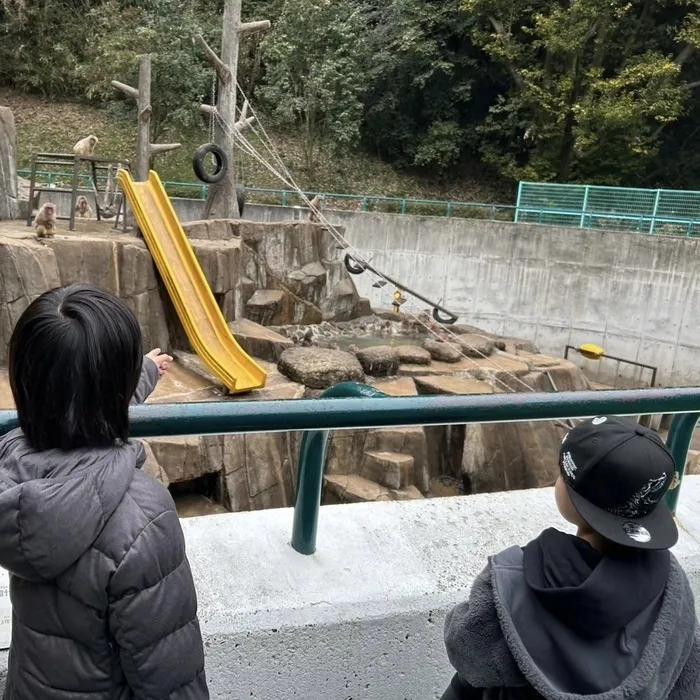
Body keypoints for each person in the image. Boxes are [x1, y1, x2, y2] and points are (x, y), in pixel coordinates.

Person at [0, 283, 209, 699]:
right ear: (116, 386)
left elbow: (74, 396)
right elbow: (170, 676)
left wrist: (145, 372)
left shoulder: (13, 474)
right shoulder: (142, 521)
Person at [442, 415, 700, 700]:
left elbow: (466, 648)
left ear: (570, 493)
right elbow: (687, 678)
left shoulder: (510, 581)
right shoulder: (673, 587)